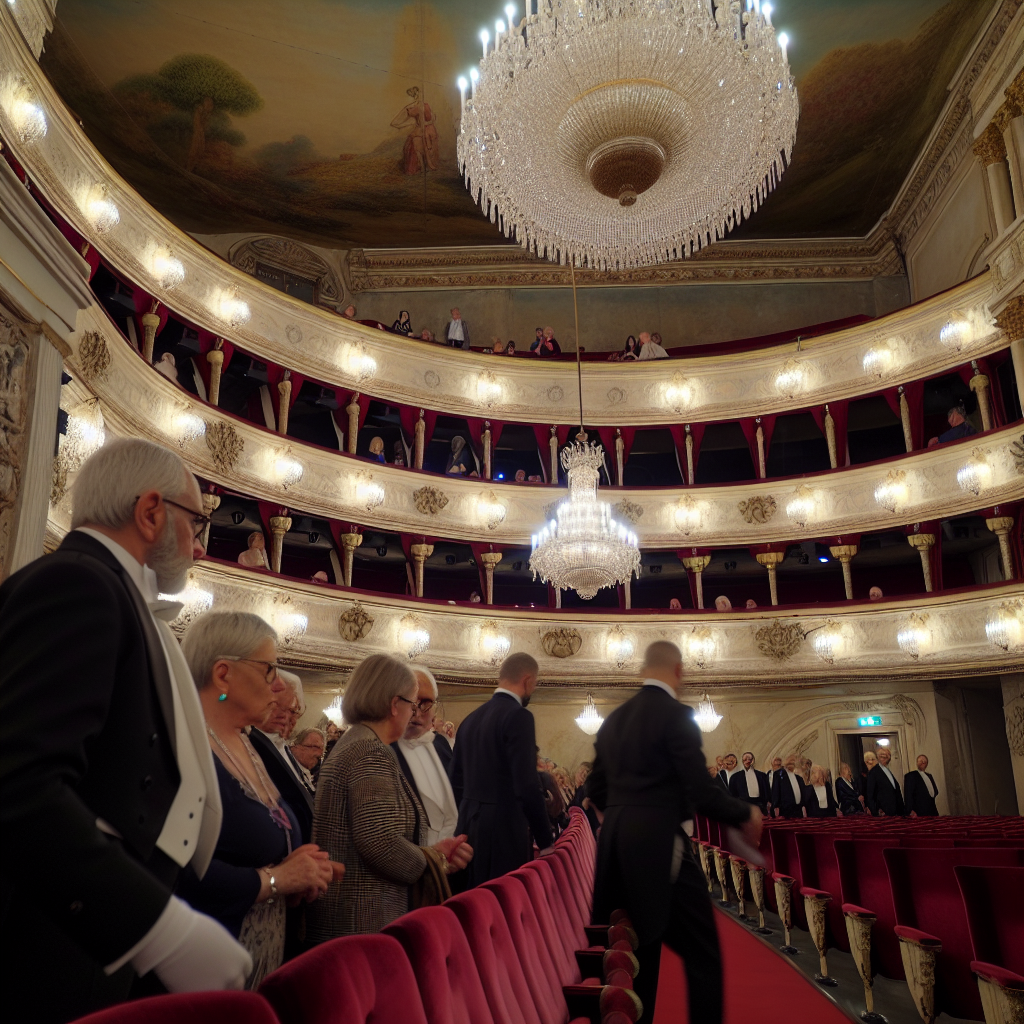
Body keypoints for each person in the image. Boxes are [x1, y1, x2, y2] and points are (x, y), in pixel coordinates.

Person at [0, 438, 255, 1022]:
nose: (200, 544)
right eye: (197, 522)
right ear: (150, 512)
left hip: (89, 935)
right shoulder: (78, 584)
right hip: (52, 939)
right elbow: (19, 781)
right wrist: (159, 928)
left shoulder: (108, 590)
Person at [588, 641, 760, 1024]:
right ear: (679, 671)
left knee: (634, 950)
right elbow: (700, 790)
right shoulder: (676, 715)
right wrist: (744, 812)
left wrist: (625, 811)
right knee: (703, 954)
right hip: (659, 846)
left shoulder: (615, 719)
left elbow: (595, 789)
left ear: (642, 670)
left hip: (614, 847)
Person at [177, 613, 336, 988]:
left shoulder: (244, 743)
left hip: (262, 953)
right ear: (223, 675)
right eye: (269, 670)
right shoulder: (184, 746)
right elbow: (175, 874)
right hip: (204, 963)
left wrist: (298, 872)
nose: (278, 686)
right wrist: (277, 879)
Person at [307, 655, 472, 941]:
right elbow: (381, 844)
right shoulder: (370, 751)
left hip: (353, 914)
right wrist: (435, 860)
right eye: (411, 704)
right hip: (362, 916)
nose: (413, 713)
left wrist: (434, 850)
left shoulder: (358, 742)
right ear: (395, 705)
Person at [449, 652, 554, 887]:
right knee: (501, 902)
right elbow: (527, 785)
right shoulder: (519, 716)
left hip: (466, 829)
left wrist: (462, 825)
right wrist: (545, 842)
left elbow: (455, 782)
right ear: (527, 680)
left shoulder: (470, 720)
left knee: (470, 901)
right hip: (503, 832)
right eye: (534, 684)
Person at [391, 667, 459, 846]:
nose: (417, 713)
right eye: (411, 703)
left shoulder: (441, 745)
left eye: (425, 703)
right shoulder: (383, 750)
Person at [249, 672, 315, 845]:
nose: (292, 719)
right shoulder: (252, 744)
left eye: (296, 712)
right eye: (288, 710)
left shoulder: (282, 745)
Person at [865, 747, 905, 817]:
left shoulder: (888, 771)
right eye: (882, 755)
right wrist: (876, 812)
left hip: (897, 812)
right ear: (877, 757)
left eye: (887, 755)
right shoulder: (873, 772)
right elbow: (870, 794)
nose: (884, 757)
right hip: (884, 813)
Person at [771, 753, 806, 818]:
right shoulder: (779, 775)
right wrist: (776, 806)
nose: (791, 764)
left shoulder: (799, 778)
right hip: (785, 811)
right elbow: (776, 792)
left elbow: (803, 794)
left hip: (798, 811)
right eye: (790, 762)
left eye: (793, 763)